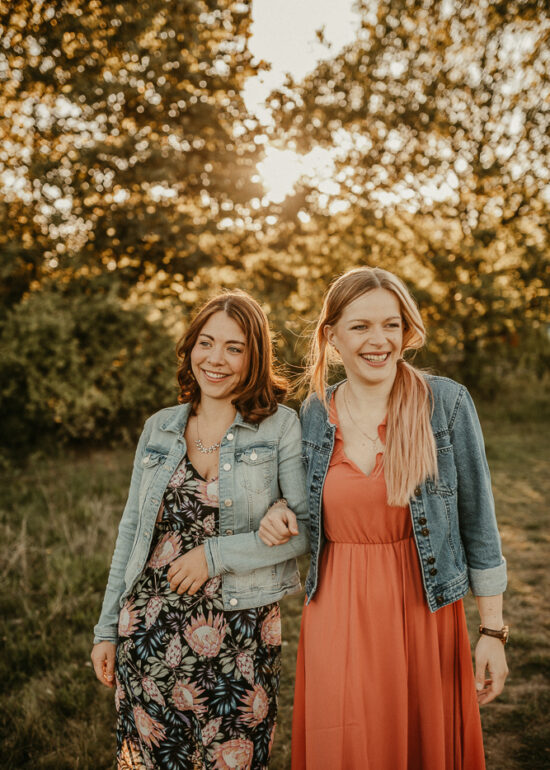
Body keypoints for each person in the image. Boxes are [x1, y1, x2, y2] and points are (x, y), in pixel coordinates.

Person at [259, 267, 508, 770]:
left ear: (406, 330)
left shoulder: (445, 404)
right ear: (332, 336)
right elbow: (299, 504)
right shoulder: (312, 413)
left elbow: (479, 524)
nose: (379, 341)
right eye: (361, 326)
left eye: (391, 325)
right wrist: (279, 511)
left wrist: (493, 633)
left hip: (424, 610)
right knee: (344, 744)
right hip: (337, 608)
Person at [91, 291, 309, 769]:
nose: (215, 359)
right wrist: (106, 630)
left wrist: (213, 556)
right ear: (190, 347)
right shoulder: (159, 428)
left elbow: (303, 530)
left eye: (234, 348)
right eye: (206, 343)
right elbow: (131, 534)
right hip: (148, 632)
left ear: (254, 356)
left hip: (240, 637)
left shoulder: (279, 428)